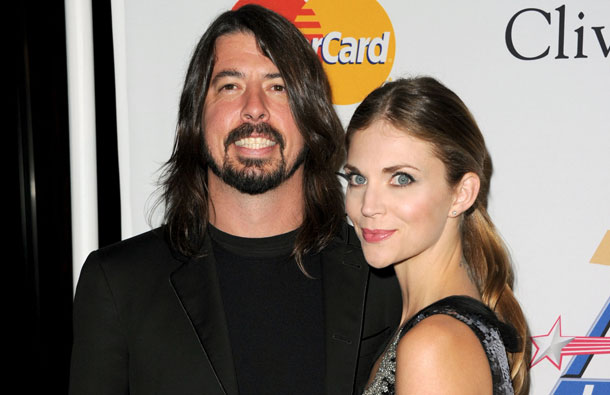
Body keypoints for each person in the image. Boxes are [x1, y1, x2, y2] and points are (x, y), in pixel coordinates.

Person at [69, 5, 401, 395]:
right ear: (196, 116)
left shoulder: (382, 274)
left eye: (278, 86)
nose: (255, 108)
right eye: (230, 86)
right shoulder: (119, 283)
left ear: (310, 116)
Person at [340, 77, 530, 394]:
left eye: (401, 178)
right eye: (358, 178)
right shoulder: (438, 329)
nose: (368, 206)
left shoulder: (434, 344)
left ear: (461, 194)